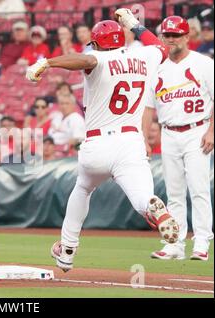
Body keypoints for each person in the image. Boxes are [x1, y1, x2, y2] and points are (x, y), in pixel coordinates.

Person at [26, 9, 179, 272]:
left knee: (83, 188)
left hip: (98, 144)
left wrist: (48, 62)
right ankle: (154, 209)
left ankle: (67, 250)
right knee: (142, 197)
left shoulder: (97, 57)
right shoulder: (143, 56)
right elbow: (160, 46)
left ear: (97, 43)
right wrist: (134, 24)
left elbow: (86, 60)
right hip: (131, 142)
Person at [143, 16, 214, 261]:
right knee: (174, 192)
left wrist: (212, 130)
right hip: (169, 132)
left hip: (197, 130)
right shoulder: (158, 67)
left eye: (176, 35)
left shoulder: (203, 63)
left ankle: (202, 242)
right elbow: (148, 108)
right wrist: (145, 138)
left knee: (199, 189)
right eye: (167, 35)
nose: (171, 39)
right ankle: (175, 244)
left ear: (186, 37)